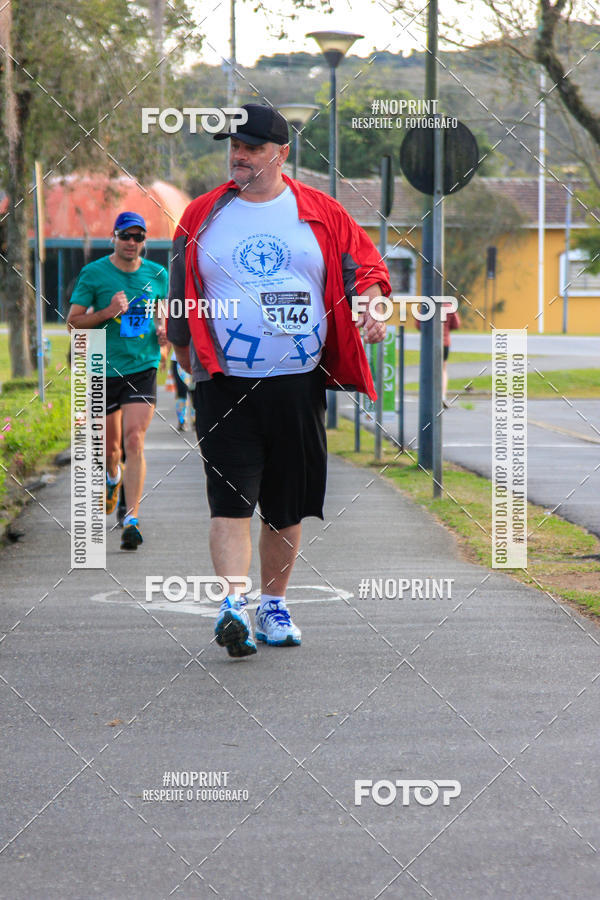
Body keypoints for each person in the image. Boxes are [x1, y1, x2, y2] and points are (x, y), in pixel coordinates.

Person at [168, 103, 391, 658]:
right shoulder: (201, 215)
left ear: (281, 153)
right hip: (223, 384)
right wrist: (183, 354)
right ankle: (231, 607)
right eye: (233, 147)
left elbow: (367, 267)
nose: (238, 156)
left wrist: (374, 304)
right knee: (229, 503)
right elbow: (178, 293)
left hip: (296, 383)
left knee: (285, 507)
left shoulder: (319, 211)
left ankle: (273, 604)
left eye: (251, 148)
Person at [67, 212, 168, 550]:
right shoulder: (94, 274)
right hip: (104, 368)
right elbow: (74, 323)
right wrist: (108, 312)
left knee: (135, 439)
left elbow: (160, 311)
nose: (131, 243)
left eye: (138, 237)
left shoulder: (158, 274)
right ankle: (112, 477)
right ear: (114, 237)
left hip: (143, 365)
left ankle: (132, 518)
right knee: (112, 450)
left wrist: (163, 330)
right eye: (126, 236)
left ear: (144, 242)